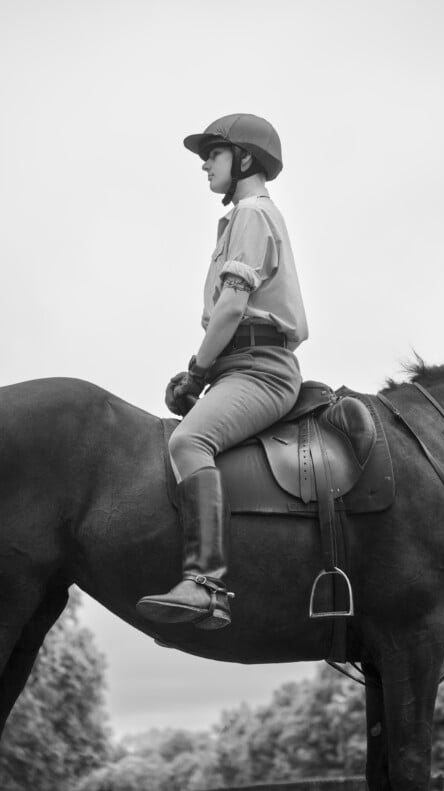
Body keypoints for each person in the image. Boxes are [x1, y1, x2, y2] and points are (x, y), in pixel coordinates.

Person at [137, 113, 308, 630]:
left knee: (188, 443)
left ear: (246, 159)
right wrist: (206, 375)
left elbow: (232, 309)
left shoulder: (252, 214)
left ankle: (206, 585)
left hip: (262, 369)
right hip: (241, 365)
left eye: (214, 153)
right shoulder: (241, 218)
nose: (205, 164)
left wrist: (196, 371)